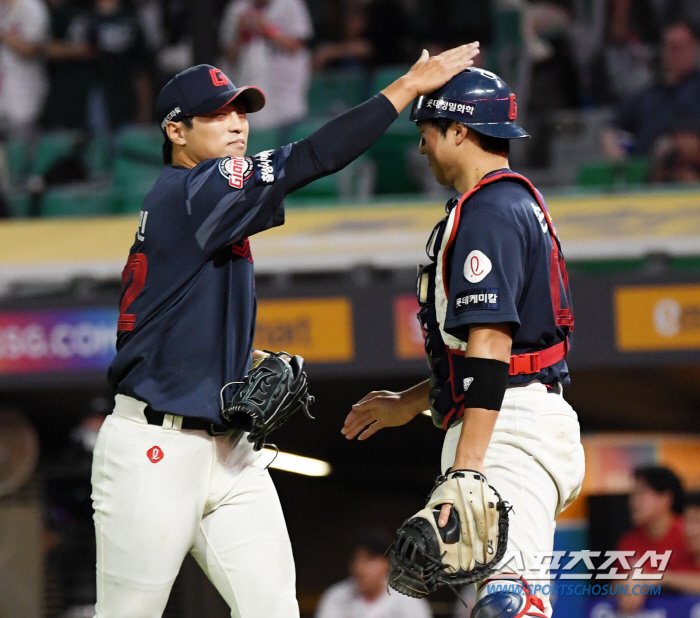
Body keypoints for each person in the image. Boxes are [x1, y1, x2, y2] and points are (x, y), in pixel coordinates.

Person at [91, 44, 481, 618]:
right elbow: (314, 156)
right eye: (219, 114)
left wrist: (235, 359)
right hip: (156, 448)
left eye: (242, 112)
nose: (237, 125)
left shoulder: (205, 201)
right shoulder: (194, 190)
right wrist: (407, 86)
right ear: (176, 130)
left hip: (229, 450)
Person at [342, 67, 585, 617]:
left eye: (428, 128)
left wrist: (469, 468)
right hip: (511, 417)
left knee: (509, 606)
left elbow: (493, 342)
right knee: (501, 602)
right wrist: (410, 402)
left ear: (459, 130)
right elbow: (489, 349)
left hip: (505, 430)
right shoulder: (508, 203)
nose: (423, 143)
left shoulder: (489, 210)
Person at [602, 21, 700, 159]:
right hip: (646, 174)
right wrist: (614, 147)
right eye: (670, 47)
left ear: (694, 48)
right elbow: (613, 126)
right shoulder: (651, 93)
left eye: (680, 47)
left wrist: (676, 145)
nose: (675, 54)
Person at [219, 0, 313, 135]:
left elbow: (295, 45)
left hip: (285, 87)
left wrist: (266, 28)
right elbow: (229, 54)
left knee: (288, 137)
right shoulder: (237, 7)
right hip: (249, 81)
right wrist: (241, 34)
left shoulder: (290, 4)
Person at [615, 465, 692, 612]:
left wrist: (660, 578)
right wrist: (629, 583)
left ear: (665, 498)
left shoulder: (690, 533)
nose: (633, 502)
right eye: (633, 495)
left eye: (641, 494)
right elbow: (613, 586)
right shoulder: (629, 542)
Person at [315, 530, 433, 618]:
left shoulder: (408, 600)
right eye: (356, 559)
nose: (360, 567)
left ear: (387, 563)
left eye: (369, 559)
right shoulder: (336, 597)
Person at [0, 0, 50, 137]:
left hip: (24, 91)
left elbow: (30, 50)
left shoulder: (31, 7)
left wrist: (3, 35)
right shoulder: (3, 7)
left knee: (21, 146)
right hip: (4, 92)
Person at [661, 491, 700, 592]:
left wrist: (667, 578)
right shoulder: (675, 560)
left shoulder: (669, 575)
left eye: (697, 521)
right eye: (687, 521)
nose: (690, 530)